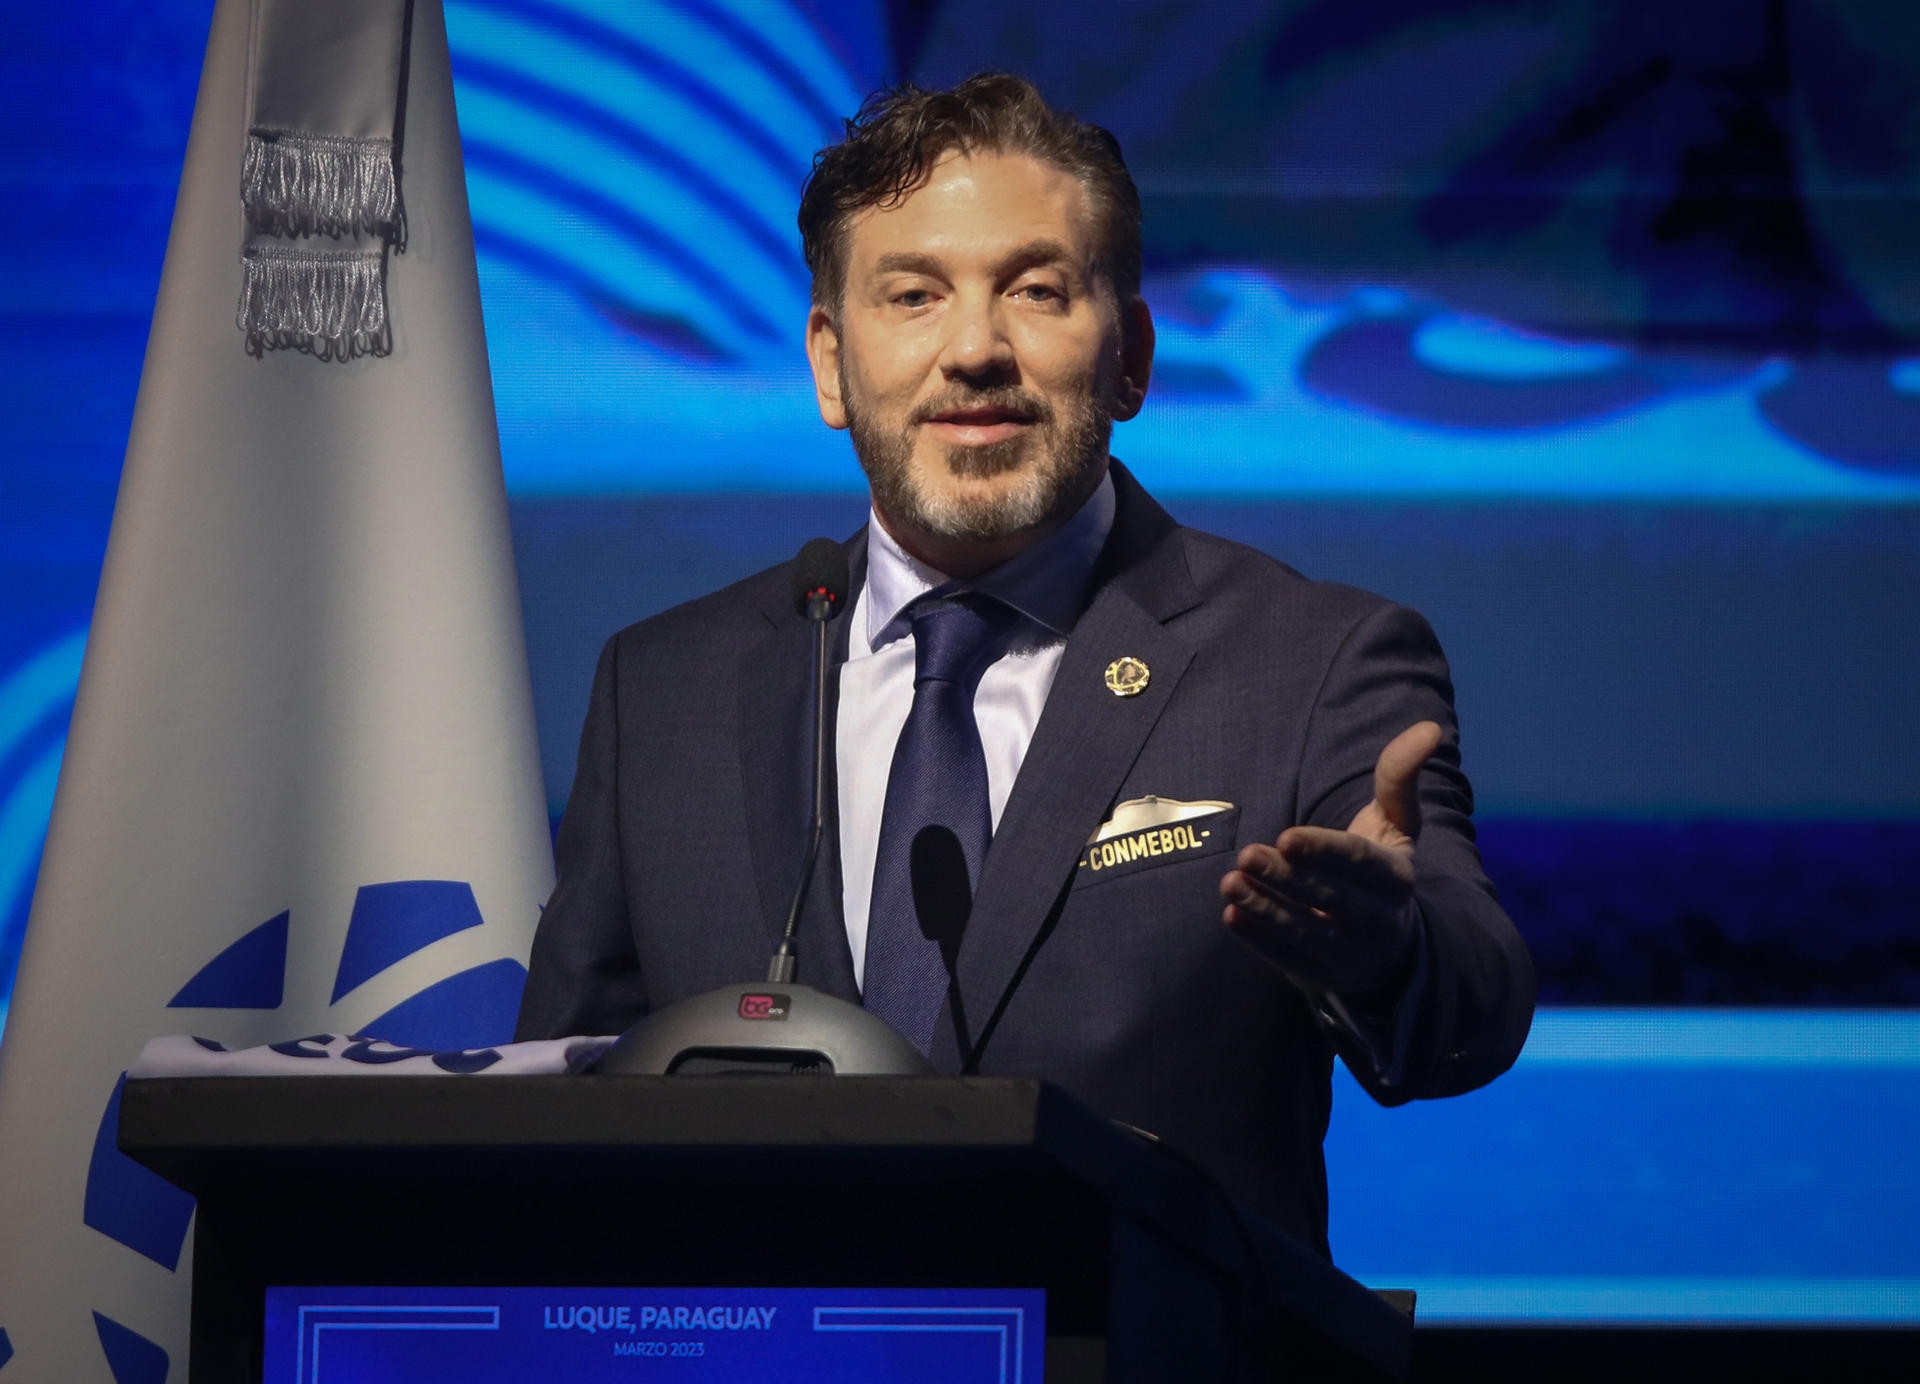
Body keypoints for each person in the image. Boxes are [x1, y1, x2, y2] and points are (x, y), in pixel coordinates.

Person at [515, 72, 1534, 1256]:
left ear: (1133, 355)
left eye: (1037, 290)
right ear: (832, 365)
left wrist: (1389, 953)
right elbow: (561, 1113)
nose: (976, 352)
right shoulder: (665, 688)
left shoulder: (1312, 662)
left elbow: (1473, 1018)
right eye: (913, 295)